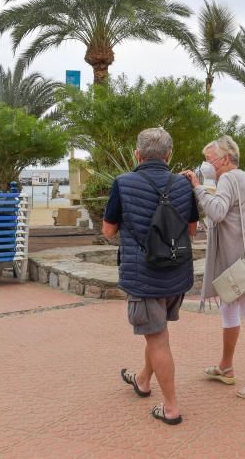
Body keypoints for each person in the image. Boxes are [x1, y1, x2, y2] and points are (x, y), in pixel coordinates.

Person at [104, 128, 198, 426]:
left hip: (143, 277)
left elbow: (108, 231)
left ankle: (171, 408)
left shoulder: (123, 183)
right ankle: (143, 380)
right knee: (156, 332)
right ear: (169, 155)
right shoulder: (184, 186)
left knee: (157, 339)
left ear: (137, 154)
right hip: (177, 274)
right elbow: (192, 230)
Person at [181, 136, 245, 399]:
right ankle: (226, 367)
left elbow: (217, 211)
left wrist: (198, 186)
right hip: (244, 258)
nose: (205, 162)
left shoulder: (229, 178)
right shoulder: (242, 178)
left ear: (224, 159)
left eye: (209, 158)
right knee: (229, 309)